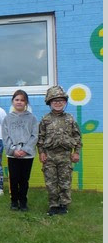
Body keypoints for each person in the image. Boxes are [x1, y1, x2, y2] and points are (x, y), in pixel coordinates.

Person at [37, 86, 82, 216]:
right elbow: (41, 137)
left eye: (61, 100)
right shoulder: (45, 119)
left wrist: (76, 152)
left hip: (65, 156)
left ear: (65, 102)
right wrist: (41, 152)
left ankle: (64, 205)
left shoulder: (70, 118)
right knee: (51, 182)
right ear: (49, 103)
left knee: (65, 182)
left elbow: (77, 136)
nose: (57, 103)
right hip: (49, 156)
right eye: (54, 101)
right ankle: (53, 205)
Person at [2, 89, 38, 212]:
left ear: (26, 103)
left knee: (24, 179)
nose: (19, 102)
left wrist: (26, 149)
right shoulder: (7, 119)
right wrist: (13, 150)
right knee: (14, 178)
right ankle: (14, 201)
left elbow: (35, 135)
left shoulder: (32, 118)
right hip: (13, 155)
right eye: (17, 100)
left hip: (27, 155)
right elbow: (5, 136)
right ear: (13, 101)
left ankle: (23, 202)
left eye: (22, 100)